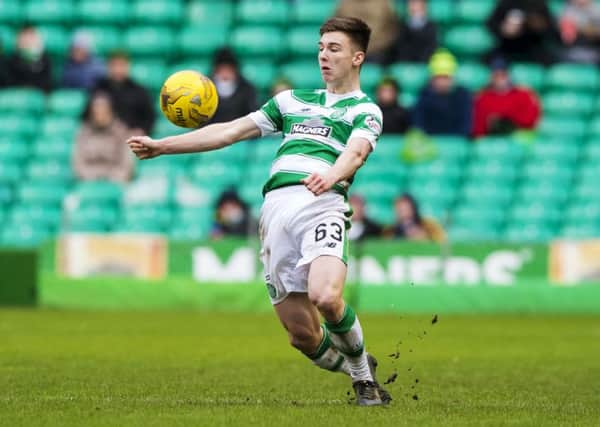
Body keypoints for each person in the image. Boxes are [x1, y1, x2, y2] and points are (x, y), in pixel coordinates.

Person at [128, 17, 391, 406]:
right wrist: (163, 145)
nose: (323, 55)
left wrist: (331, 174)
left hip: (323, 204)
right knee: (301, 335)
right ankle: (355, 362)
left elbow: (356, 152)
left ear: (357, 57)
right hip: (275, 212)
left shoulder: (365, 109)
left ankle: (365, 383)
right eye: (320, 47)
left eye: (334, 49)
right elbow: (230, 130)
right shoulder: (290, 101)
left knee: (326, 297)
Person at [472, 58, 541, 138]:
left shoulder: (523, 95)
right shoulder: (482, 98)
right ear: (490, 76)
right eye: (496, 75)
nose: (500, 79)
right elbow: (478, 130)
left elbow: (530, 122)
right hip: (492, 140)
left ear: (509, 75)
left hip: (518, 137)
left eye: (503, 74)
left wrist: (505, 121)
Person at [73, 92, 133, 183]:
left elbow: (127, 165)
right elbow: (78, 165)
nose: (99, 116)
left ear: (111, 112)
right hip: (88, 181)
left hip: (116, 181)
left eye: (103, 111)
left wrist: (113, 179)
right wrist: (92, 179)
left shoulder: (122, 132)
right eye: (96, 112)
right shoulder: (83, 133)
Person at [91, 51, 155, 135]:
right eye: (114, 65)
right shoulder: (99, 90)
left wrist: (141, 130)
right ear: (108, 67)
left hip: (131, 139)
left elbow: (150, 117)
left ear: (128, 66)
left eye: (121, 65)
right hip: (104, 137)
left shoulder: (140, 91)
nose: (117, 70)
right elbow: (86, 116)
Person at [412, 49, 472, 137]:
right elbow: (418, 125)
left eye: (446, 78)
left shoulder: (463, 96)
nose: (442, 82)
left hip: (455, 144)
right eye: (439, 77)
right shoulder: (423, 95)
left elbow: (465, 126)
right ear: (432, 79)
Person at [486, 0, 557, 65]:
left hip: (533, 49)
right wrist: (504, 29)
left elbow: (551, 30)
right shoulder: (506, 2)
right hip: (507, 48)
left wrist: (538, 25)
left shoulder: (539, 3)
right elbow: (491, 24)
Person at [335, 0, 399, 64]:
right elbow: (335, 25)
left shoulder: (384, 3)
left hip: (378, 50)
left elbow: (393, 28)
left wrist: (379, 45)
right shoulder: (344, 3)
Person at [210, 48, 258, 123]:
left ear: (235, 70)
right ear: (216, 70)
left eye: (228, 70)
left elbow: (252, 116)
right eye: (222, 70)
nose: (225, 75)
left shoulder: (246, 89)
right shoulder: (207, 90)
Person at [6, 25, 52, 91]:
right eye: (26, 38)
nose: (29, 41)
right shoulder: (11, 61)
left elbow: (48, 84)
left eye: (31, 37)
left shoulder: (46, 60)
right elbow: (10, 84)